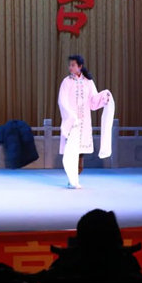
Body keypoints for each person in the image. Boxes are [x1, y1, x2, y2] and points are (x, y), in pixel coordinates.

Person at [57, 55, 114, 189]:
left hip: (84, 122)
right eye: (70, 65)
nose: (70, 67)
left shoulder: (88, 82)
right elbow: (62, 101)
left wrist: (104, 96)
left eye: (73, 65)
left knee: (80, 152)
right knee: (71, 150)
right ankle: (72, 179)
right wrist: (71, 116)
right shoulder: (66, 82)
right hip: (72, 122)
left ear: (80, 66)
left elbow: (93, 102)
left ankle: (75, 177)